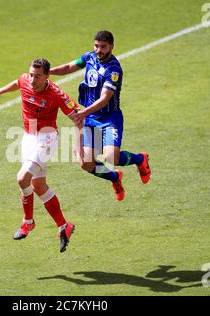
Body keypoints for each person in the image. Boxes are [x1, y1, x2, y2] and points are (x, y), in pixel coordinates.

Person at [0, 58, 82, 253]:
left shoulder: (56, 94)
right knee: (38, 186)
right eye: (31, 74)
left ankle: (28, 222)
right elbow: (17, 83)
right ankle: (64, 227)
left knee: (22, 178)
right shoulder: (25, 80)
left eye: (38, 76)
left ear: (47, 76)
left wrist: (80, 145)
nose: (32, 80)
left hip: (47, 138)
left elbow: (78, 117)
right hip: (28, 137)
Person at [49, 30, 151, 201]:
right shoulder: (89, 57)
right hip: (91, 119)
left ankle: (140, 159)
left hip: (110, 119)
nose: (99, 50)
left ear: (112, 46)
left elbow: (105, 98)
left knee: (111, 157)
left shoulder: (113, 70)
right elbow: (68, 67)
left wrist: (83, 112)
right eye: (96, 45)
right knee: (85, 163)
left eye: (103, 47)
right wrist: (48, 71)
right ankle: (114, 178)